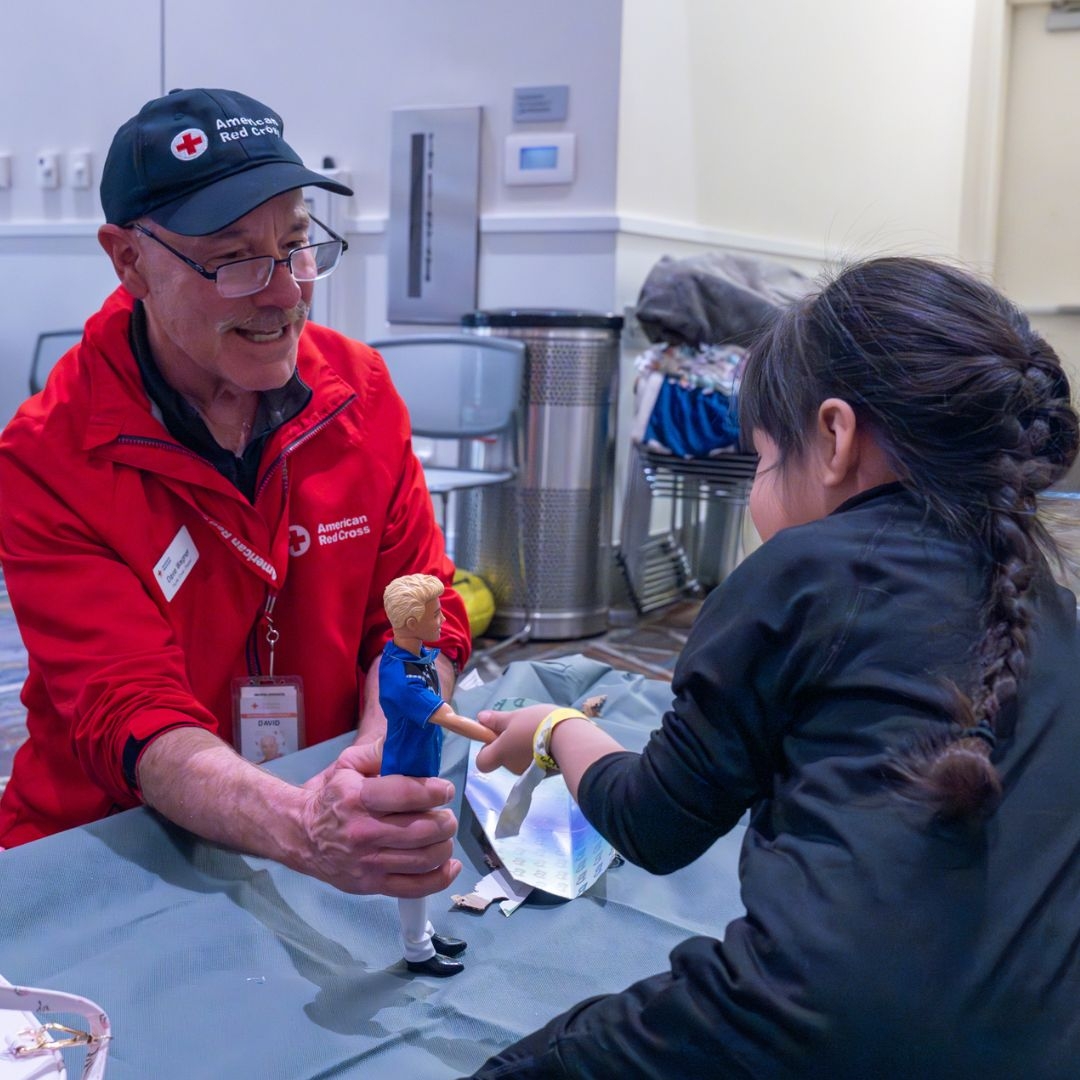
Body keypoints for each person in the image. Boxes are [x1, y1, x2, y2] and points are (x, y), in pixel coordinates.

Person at [468, 256, 1080, 1079]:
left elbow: (655, 823)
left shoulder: (802, 573)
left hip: (809, 1025)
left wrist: (557, 727)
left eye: (758, 459)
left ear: (833, 436)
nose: (758, 492)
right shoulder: (1045, 601)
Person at [0, 87, 472, 908]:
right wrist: (301, 826)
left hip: (318, 808)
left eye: (296, 246)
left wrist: (380, 751)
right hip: (113, 849)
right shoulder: (50, 457)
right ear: (129, 260)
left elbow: (420, 614)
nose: (286, 292)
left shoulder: (360, 397)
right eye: (234, 259)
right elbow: (128, 709)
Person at [379, 573, 494, 976]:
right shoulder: (401, 678)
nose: (444, 618)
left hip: (421, 770)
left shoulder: (415, 659)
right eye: (436, 612)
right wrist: (497, 736)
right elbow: (447, 716)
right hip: (405, 780)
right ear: (411, 623)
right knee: (415, 868)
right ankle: (417, 952)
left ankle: (423, 933)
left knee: (422, 865)